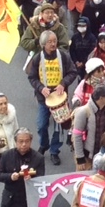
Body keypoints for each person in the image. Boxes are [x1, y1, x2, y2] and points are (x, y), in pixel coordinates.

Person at [26, 30, 77, 165]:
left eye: (54, 41)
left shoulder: (64, 56)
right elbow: (32, 77)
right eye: (50, 42)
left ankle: (55, 151)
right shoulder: (37, 58)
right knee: (41, 125)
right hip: (44, 99)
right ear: (43, 44)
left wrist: (63, 84)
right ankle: (44, 144)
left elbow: (73, 72)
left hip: (60, 100)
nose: (53, 44)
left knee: (58, 128)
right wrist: (41, 88)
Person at [73, 86, 105, 170]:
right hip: (87, 156)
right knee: (85, 177)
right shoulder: (83, 112)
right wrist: (80, 158)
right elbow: (77, 136)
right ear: (101, 98)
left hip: (103, 153)